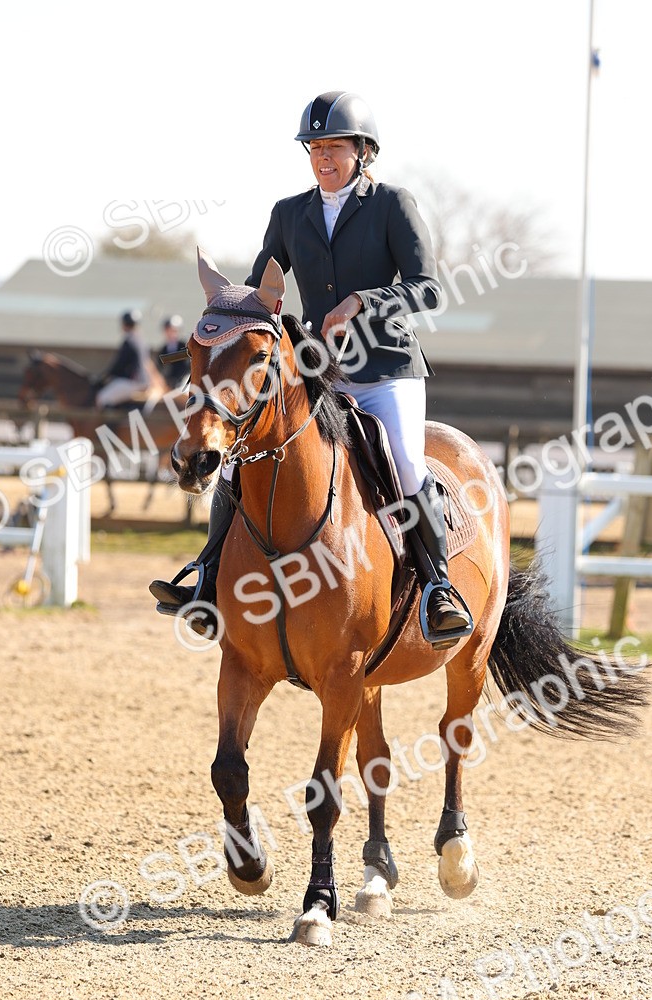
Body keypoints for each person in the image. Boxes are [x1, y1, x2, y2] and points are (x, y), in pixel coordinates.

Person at [150, 90, 470, 642]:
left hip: (385, 370)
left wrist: (363, 302)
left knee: (406, 465)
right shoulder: (289, 212)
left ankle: (439, 587)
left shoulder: (393, 204)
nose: (323, 158)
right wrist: (222, 320)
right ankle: (206, 574)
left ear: (363, 151)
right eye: (315, 148)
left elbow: (428, 290)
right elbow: (256, 293)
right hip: (318, 371)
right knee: (235, 458)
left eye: (334, 148)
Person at [95, 310, 152, 409]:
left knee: (102, 398)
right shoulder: (141, 340)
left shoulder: (129, 341)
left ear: (124, 325)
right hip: (144, 381)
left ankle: (112, 424)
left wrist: (104, 377)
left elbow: (119, 366)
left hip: (133, 382)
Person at [158, 315, 189, 392]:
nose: (171, 333)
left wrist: (177, 379)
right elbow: (161, 367)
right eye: (168, 331)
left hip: (184, 379)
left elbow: (186, 366)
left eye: (173, 331)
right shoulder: (163, 349)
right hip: (170, 381)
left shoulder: (184, 346)